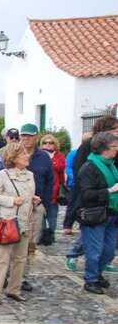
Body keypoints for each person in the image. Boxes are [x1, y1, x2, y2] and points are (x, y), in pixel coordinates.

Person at [63, 116, 118, 272]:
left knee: (107, 239)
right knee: (92, 236)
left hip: (112, 202)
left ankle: (103, 264)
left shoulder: (114, 148)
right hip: (93, 198)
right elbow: (79, 171)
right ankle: (76, 257)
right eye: (115, 129)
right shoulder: (89, 146)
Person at [0, 143, 36, 305]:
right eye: (23, 154)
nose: (27, 156)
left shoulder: (30, 175)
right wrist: (11, 200)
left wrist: (33, 199)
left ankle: (14, 289)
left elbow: (27, 194)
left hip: (25, 221)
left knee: (21, 259)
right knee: (3, 258)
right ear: (13, 158)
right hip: (8, 222)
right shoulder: (3, 175)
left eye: (26, 153)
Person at [76, 132, 118, 295]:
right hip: (95, 215)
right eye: (114, 146)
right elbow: (86, 194)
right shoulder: (89, 168)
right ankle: (91, 279)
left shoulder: (111, 165)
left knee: (109, 250)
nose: (116, 149)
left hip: (112, 213)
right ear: (103, 148)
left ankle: (97, 273)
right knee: (94, 250)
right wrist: (109, 190)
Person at [17, 123, 53, 292]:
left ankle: (23, 276)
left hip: (37, 207)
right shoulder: (13, 153)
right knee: (13, 241)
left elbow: (49, 182)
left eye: (29, 136)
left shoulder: (44, 157)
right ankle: (9, 274)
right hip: (17, 206)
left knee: (31, 244)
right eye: (23, 135)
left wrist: (44, 204)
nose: (26, 138)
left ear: (36, 137)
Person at [39, 134, 66, 246]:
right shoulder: (39, 155)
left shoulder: (59, 156)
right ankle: (41, 235)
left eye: (50, 143)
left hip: (54, 188)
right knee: (40, 214)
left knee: (52, 215)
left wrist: (50, 159)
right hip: (41, 188)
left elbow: (60, 167)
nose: (48, 145)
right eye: (45, 143)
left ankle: (51, 235)